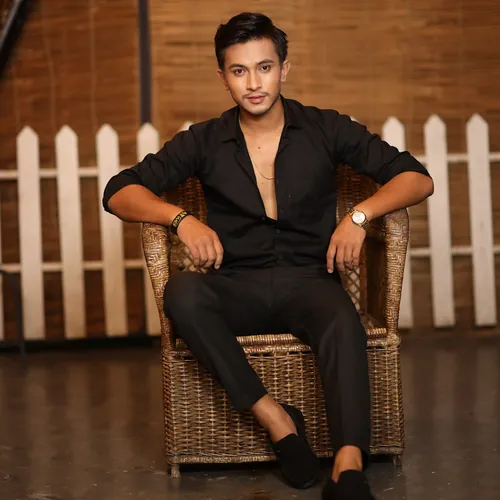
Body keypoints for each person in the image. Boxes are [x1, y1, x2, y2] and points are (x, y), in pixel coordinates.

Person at [102, 12, 434, 500]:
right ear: (223, 76)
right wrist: (181, 219)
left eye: (264, 67)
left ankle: (348, 464)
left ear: (284, 68)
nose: (254, 83)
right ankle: (277, 420)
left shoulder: (325, 127)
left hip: (311, 281)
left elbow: (417, 178)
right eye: (239, 71)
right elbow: (118, 191)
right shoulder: (204, 139)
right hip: (237, 284)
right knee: (183, 293)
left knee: (341, 319)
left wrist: (359, 215)